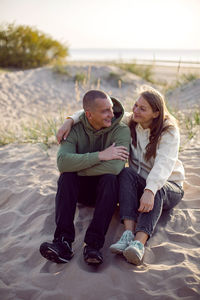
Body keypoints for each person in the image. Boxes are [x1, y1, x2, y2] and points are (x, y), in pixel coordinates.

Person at [57, 86, 185, 266]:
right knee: (125, 173)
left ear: (156, 113)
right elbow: (97, 111)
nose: (135, 110)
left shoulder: (168, 131)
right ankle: (127, 234)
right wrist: (70, 120)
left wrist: (150, 189)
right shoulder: (132, 121)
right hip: (140, 182)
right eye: (135, 105)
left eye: (142, 108)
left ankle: (138, 243)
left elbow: (163, 165)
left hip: (168, 185)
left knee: (157, 189)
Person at [40, 90, 130, 265]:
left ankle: (93, 245)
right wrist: (100, 155)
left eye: (111, 109)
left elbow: (115, 166)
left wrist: (75, 167)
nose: (111, 114)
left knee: (110, 179)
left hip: (106, 194)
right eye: (105, 111)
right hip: (79, 190)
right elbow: (62, 162)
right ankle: (63, 243)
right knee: (67, 178)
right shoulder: (73, 129)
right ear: (89, 115)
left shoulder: (121, 130)